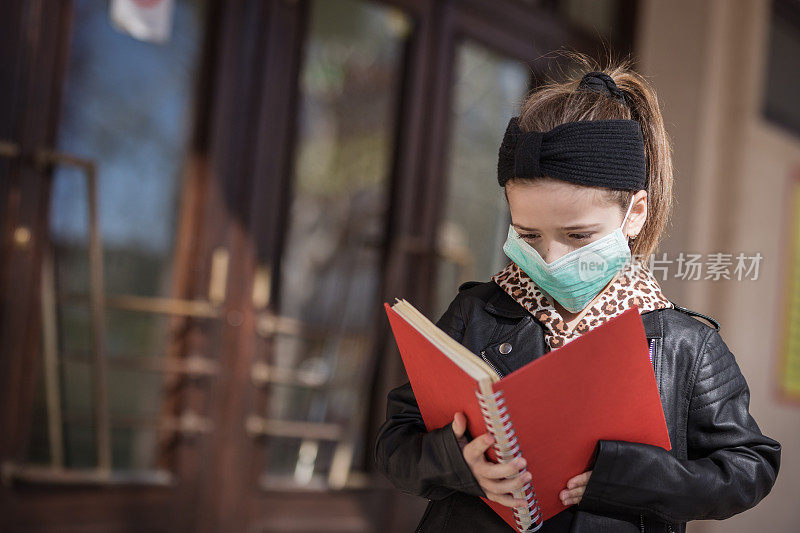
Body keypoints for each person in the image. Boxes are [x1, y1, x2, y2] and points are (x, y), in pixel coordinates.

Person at [373, 54, 781, 533]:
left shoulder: (684, 345)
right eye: (527, 235)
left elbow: (749, 470)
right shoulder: (476, 313)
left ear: (635, 213)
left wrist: (623, 476)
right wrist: (461, 465)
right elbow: (395, 443)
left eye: (578, 235)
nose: (550, 257)